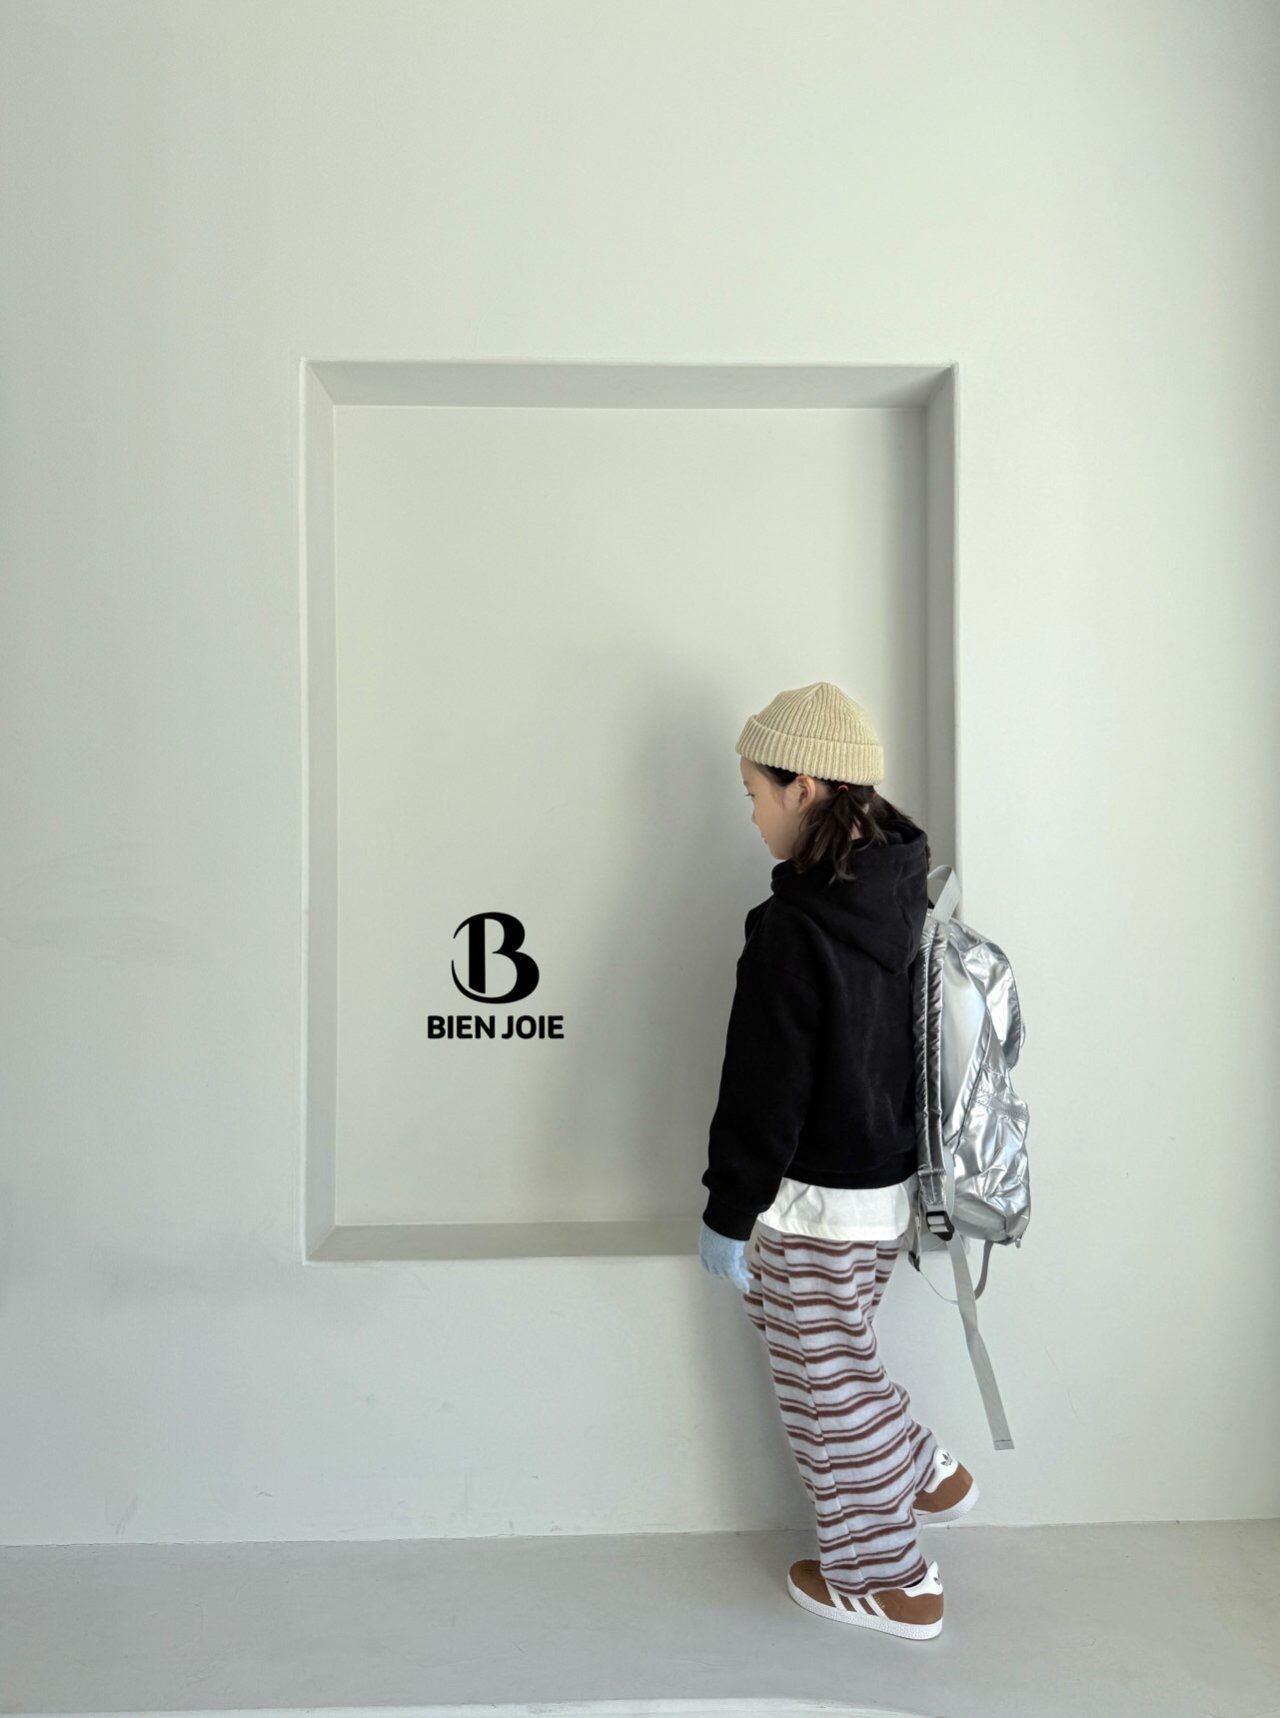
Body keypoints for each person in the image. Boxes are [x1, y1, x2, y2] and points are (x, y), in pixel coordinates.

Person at [698, 681, 977, 1641]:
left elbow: (763, 1088)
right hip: (882, 1192)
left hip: (810, 1201)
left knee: (823, 1385)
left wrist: (728, 1211)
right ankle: (918, 1468)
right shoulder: (901, 902)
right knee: (838, 1359)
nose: (752, 814)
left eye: (754, 792)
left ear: (805, 788)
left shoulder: (794, 929)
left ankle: (889, 1581)